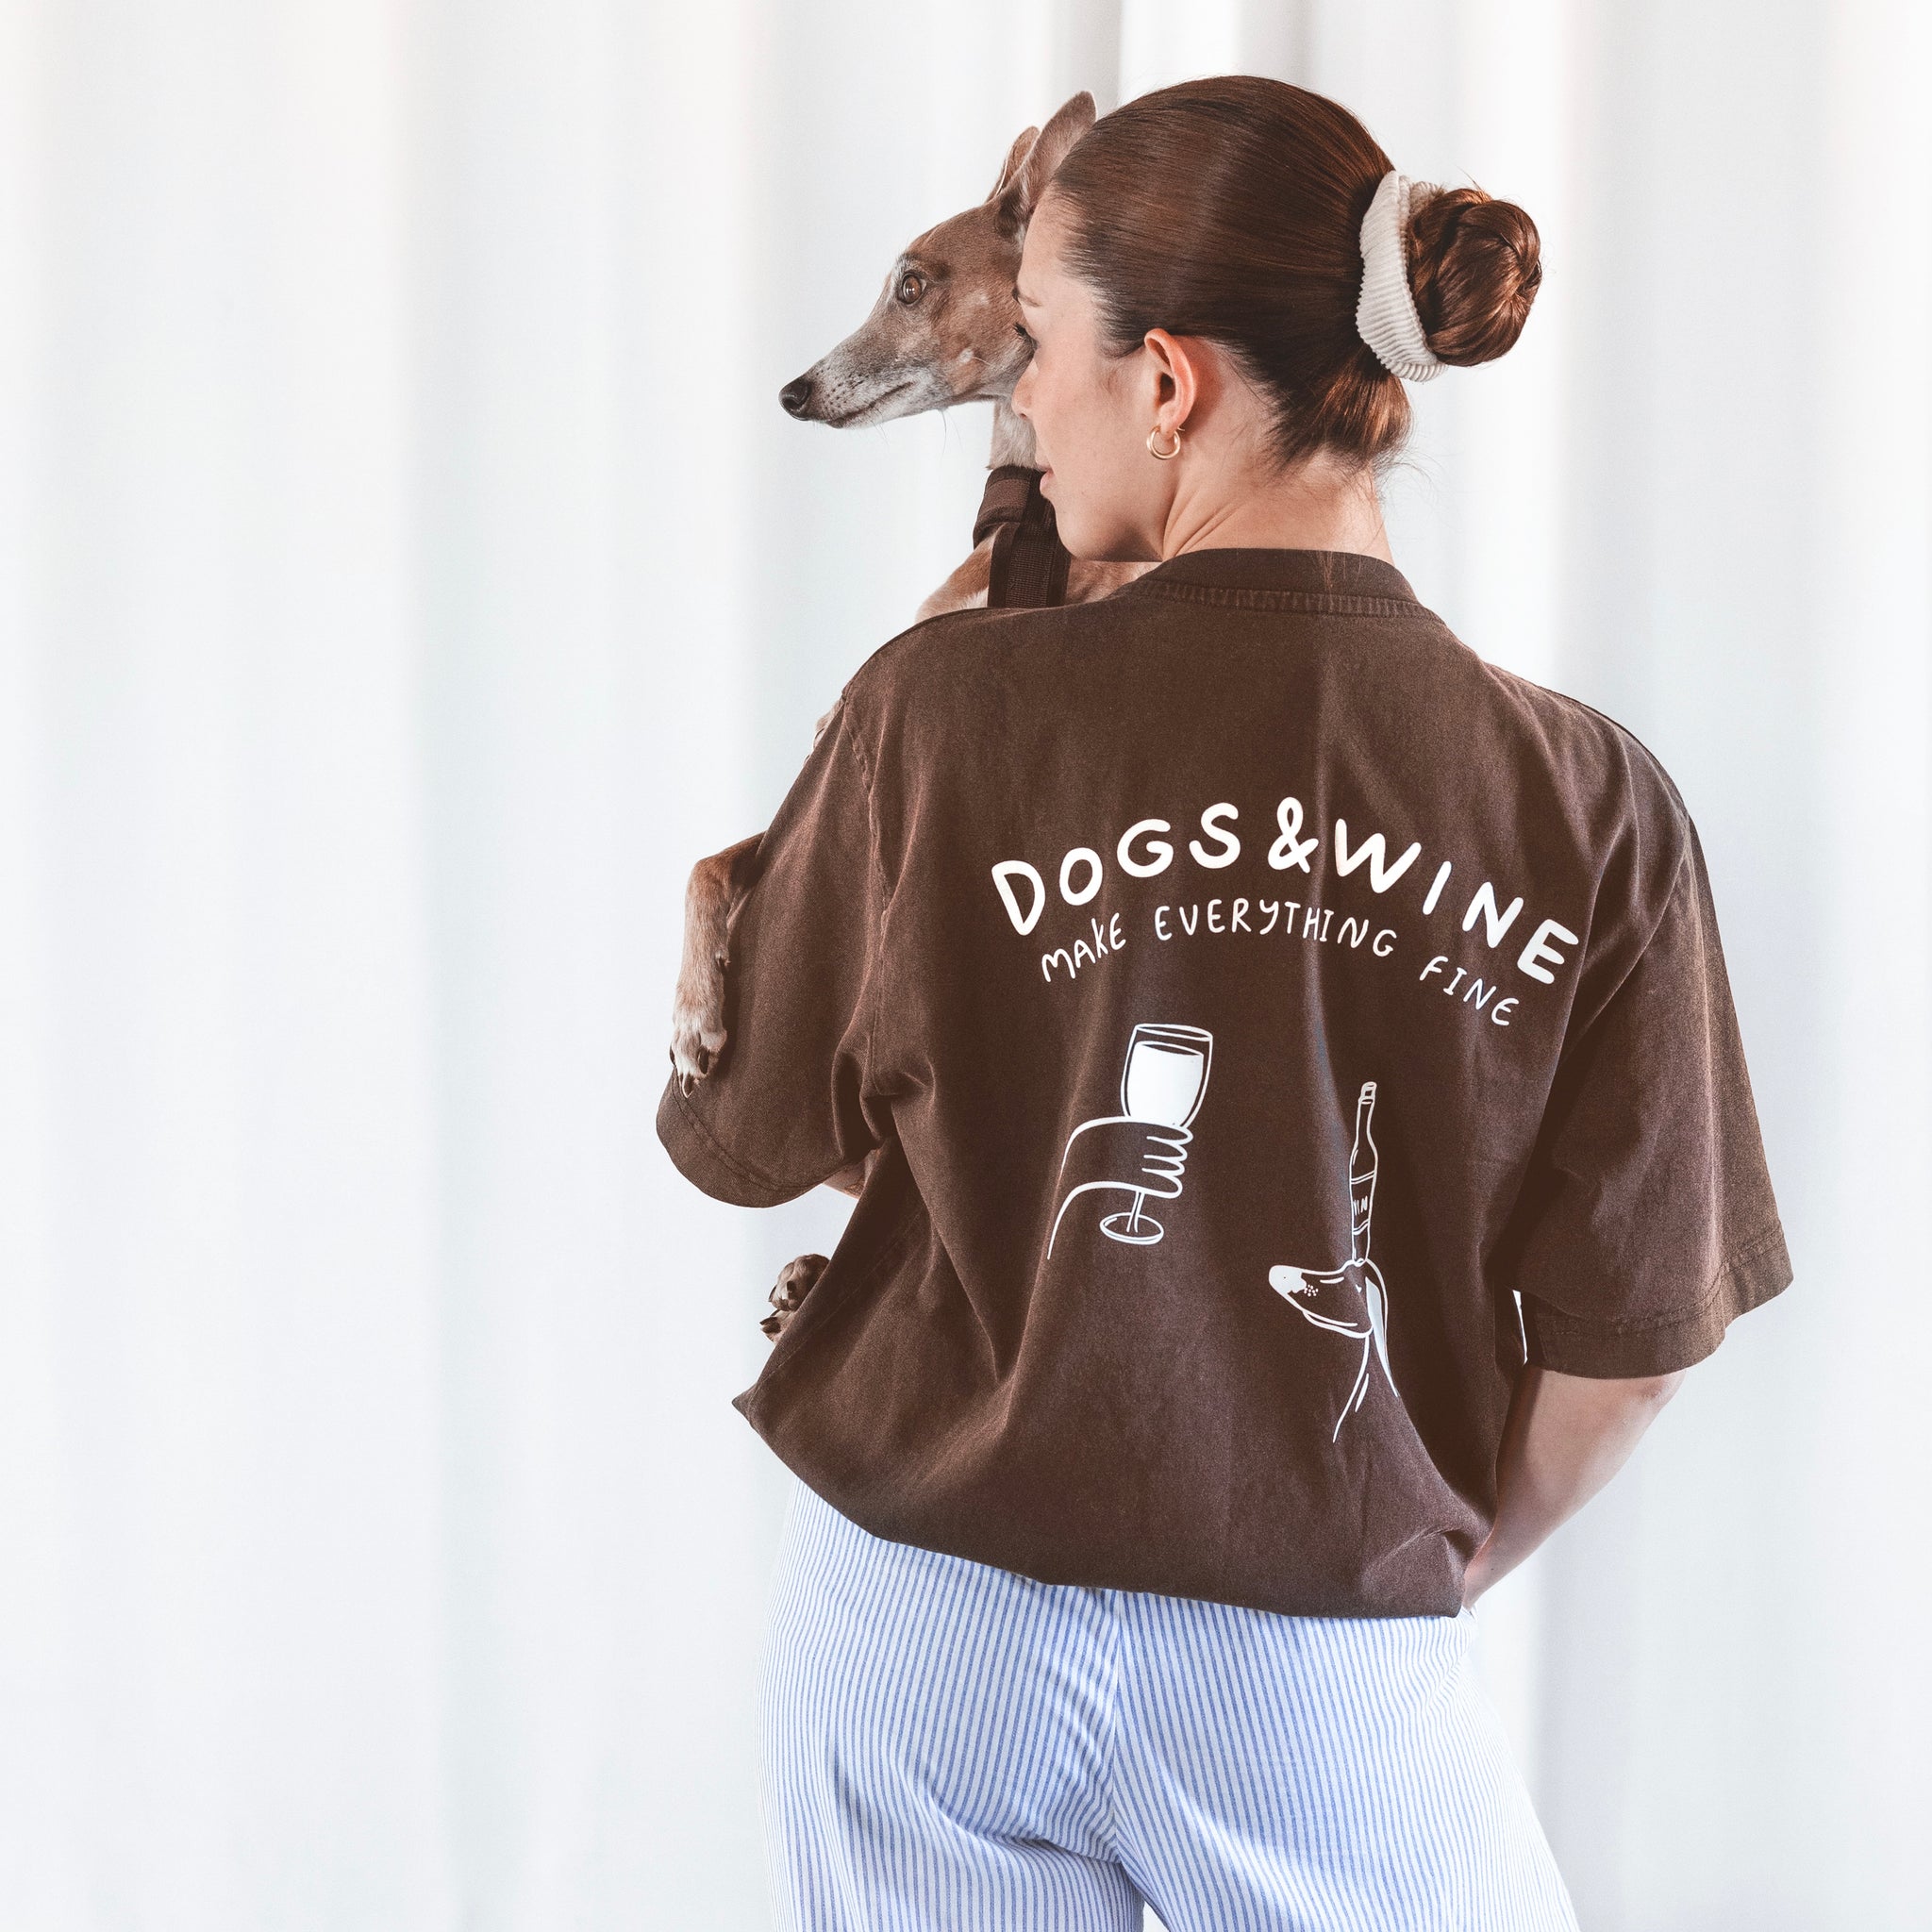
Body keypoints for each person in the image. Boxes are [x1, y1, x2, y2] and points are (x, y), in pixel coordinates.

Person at [658, 75, 1790, 1932]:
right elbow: (1636, 1344)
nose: (1026, 401)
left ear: (1166, 381)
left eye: (1041, 344)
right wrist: (1422, 1572)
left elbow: (741, 1133)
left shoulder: (937, 706)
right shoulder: (1590, 800)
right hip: (1317, 1648)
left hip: (920, 1635)